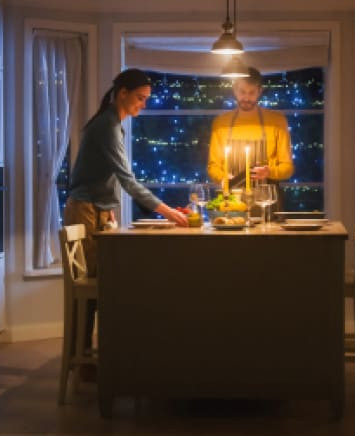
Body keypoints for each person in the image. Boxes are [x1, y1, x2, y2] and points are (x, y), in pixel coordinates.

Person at [64, 68, 187, 377]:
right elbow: (127, 181)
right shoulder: (107, 125)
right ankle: (87, 364)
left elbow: (102, 175)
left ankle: (99, 358)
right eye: (140, 98)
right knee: (98, 286)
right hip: (84, 209)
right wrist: (170, 212)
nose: (143, 104)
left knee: (105, 282)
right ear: (123, 93)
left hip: (97, 207)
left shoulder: (112, 124)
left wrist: (108, 207)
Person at [207, 67, 294, 209]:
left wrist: (270, 172)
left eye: (252, 92)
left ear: (260, 91)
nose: (246, 98)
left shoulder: (277, 121)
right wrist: (223, 179)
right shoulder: (221, 123)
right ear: (235, 90)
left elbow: (288, 167)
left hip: (267, 201)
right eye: (242, 92)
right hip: (231, 201)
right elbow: (213, 166)